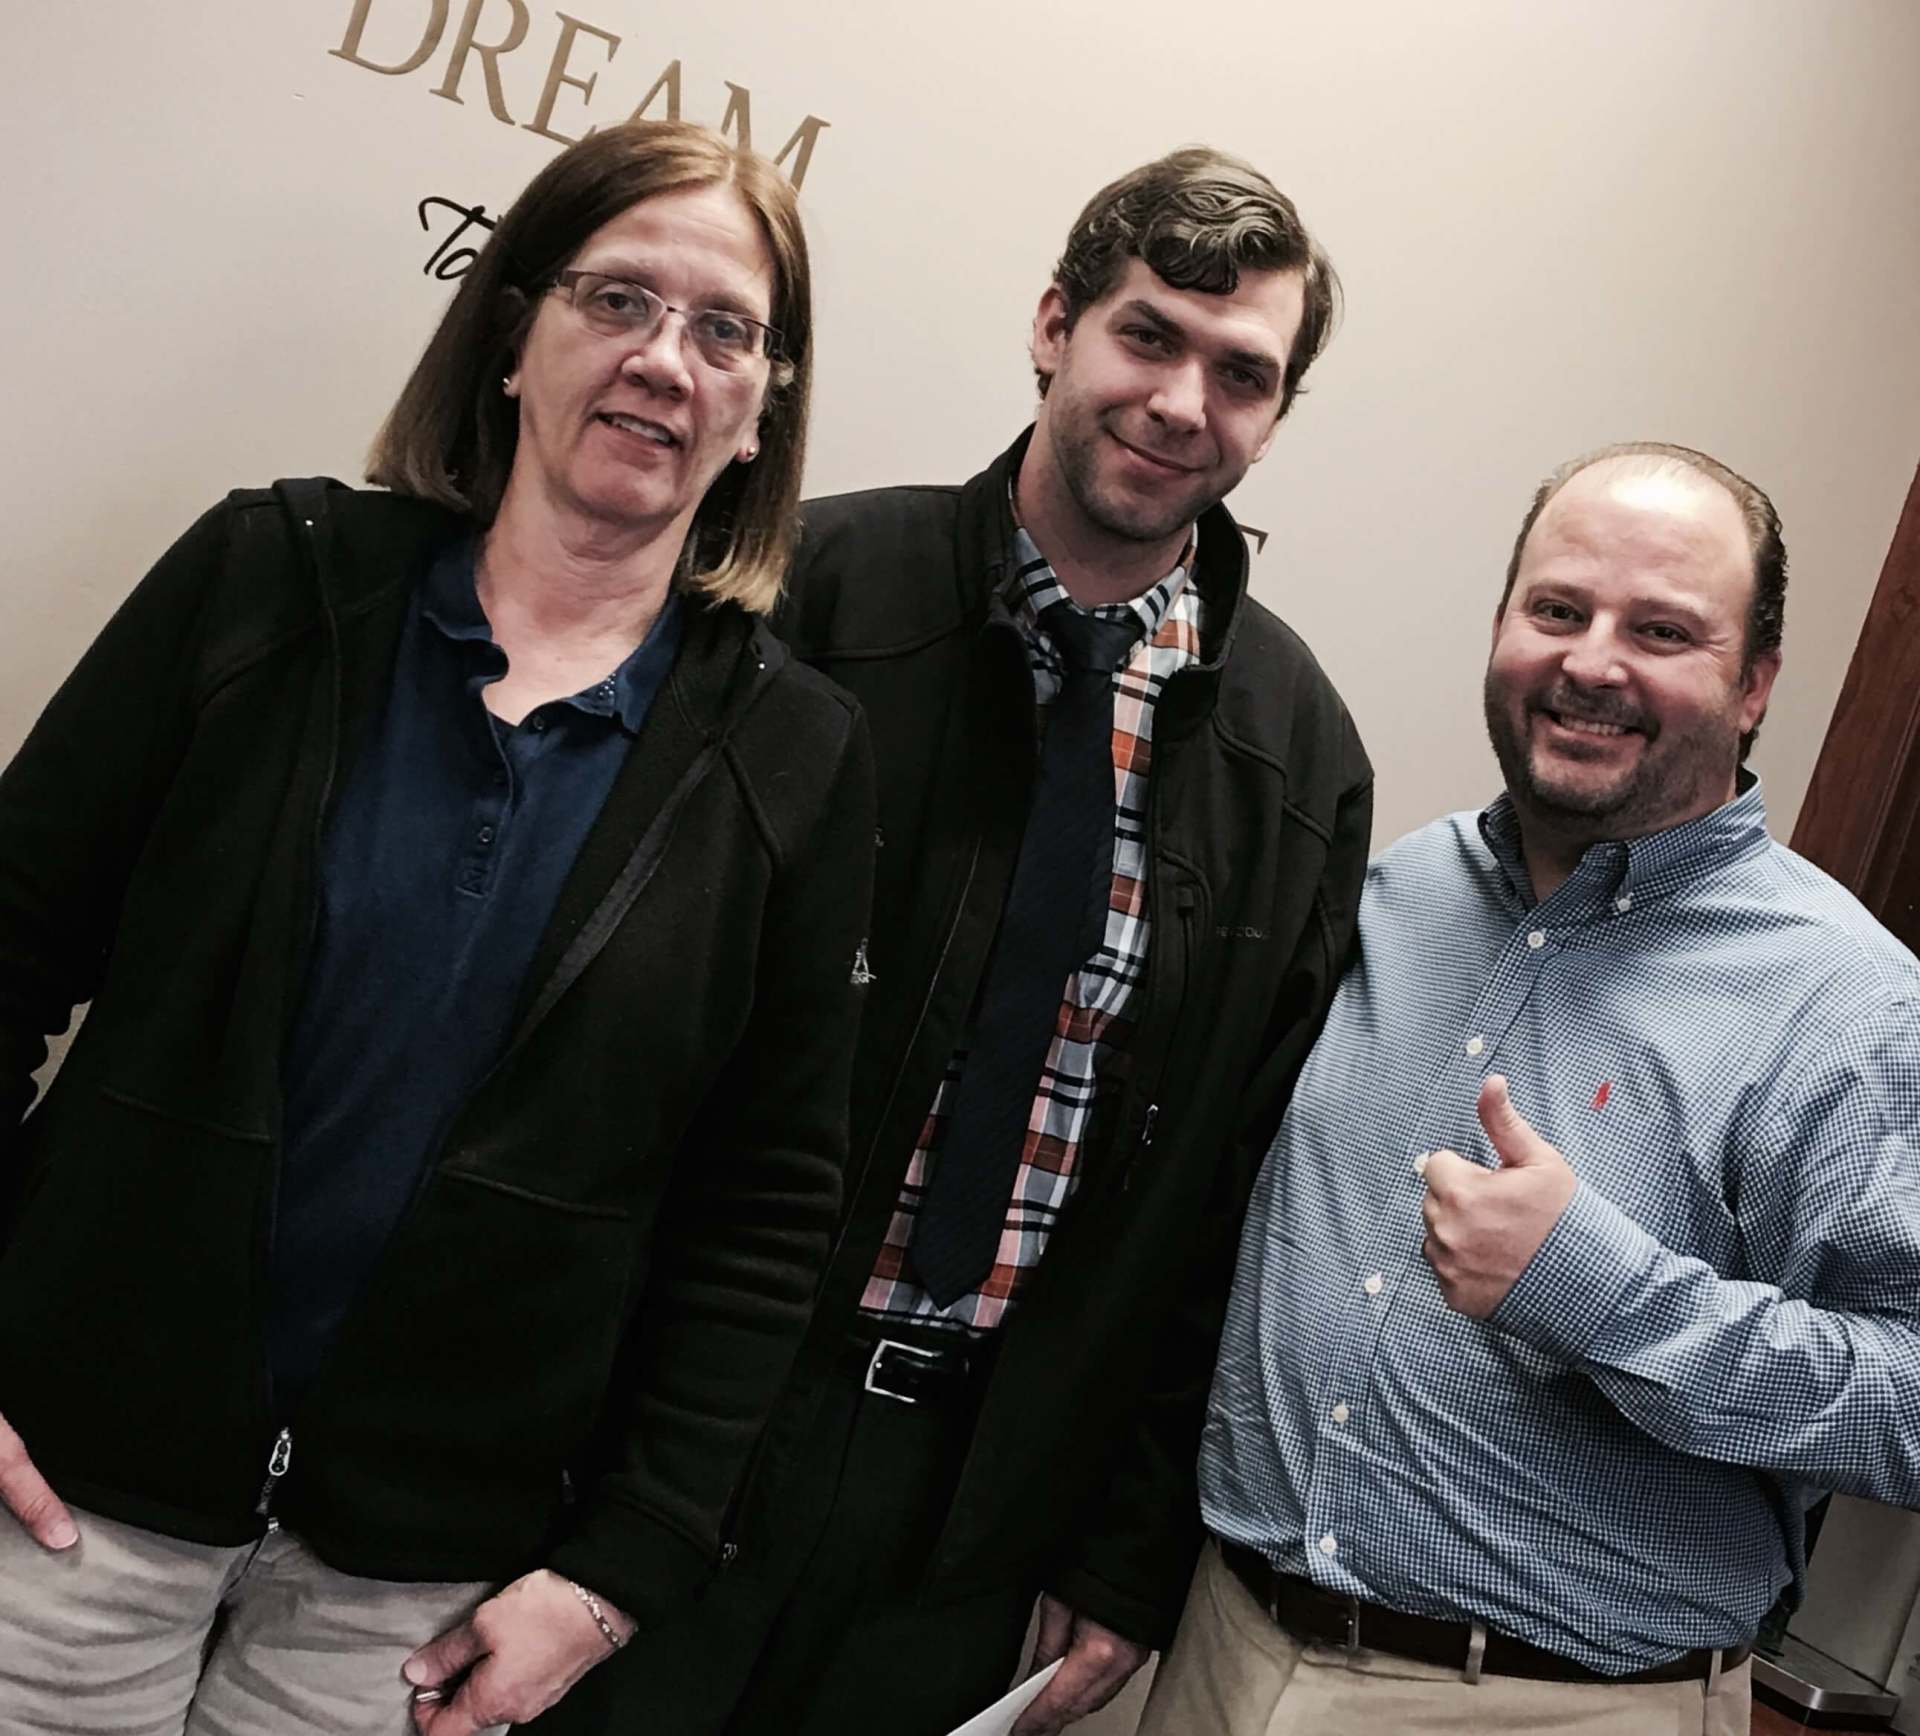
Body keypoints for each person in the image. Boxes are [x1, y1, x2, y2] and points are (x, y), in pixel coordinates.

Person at [0, 120, 873, 1736]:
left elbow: (766, 1208)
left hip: (412, 1596)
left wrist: (622, 1570)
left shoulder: (796, 757)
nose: (665, 361)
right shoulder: (272, 579)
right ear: (515, 339)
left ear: (763, 408)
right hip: (62, 1509)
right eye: (617, 301)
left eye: (723, 329)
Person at [539, 145, 1374, 1736]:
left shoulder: (1299, 755)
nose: (1184, 403)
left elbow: (1231, 1193)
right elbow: (602, 1039)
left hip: (974, 1517)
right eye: (1149, 335)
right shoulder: (802, 596)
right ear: (1055, 325)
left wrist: (1128, 1550)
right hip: (678, 1432)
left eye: (1242, 373)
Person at [1146, 442, 1920, 1736]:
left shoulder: (1851, 1006)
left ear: (1755, 685)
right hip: (1228, 1646)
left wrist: (1606, 1298)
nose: (1592, 662)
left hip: (1550, 1705)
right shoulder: (1395, 891)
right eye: (1557, 609)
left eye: (1663, 630)